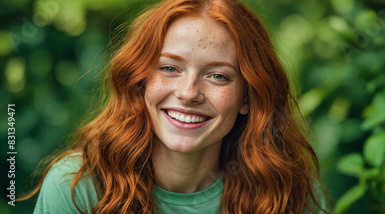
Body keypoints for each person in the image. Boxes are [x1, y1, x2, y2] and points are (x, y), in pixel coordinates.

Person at [22, 0, 330, 213]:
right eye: (169, 68)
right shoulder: (78, 187)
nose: (188, 92)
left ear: (247, 98)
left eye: (218, 76)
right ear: (140, 80)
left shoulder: (286, 189)